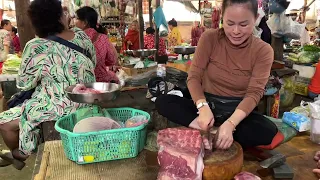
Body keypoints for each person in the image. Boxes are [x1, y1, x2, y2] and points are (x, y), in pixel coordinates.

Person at [156, 0, 282, 150]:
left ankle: (216, 132)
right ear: (222, 18)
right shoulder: (209, 38)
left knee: (267, 132)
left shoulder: (263, 50)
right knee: (164, 102)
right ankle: (213, 131)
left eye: (243, 25)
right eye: (229, 23)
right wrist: (202, 107)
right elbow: (194, 77)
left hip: (237, 111)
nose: (236, 31)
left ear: (255, 19)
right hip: (207, 106)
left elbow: (254, 93)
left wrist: (231, 123)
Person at [0, 0, 96, 169]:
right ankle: (24, 150)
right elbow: (92, 63)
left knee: (4, 122)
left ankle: (21, 154)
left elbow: (24, 83)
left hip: (56, 104)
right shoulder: (82, 36)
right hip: (87, 98)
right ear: (60, 16)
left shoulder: (36, 46)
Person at [75, 6, 119, 83]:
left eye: (77, 18)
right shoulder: (103, 37)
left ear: (85, 22)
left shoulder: (74, 38)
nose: (74, 21)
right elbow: (112, 60)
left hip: (80, 83)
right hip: (101, 82)